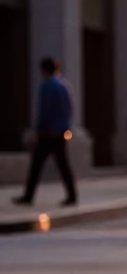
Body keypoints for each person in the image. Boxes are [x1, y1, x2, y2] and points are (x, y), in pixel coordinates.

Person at [13, 56, 77, 207]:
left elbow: (44, 111)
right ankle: (72, 195)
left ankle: (28, 196)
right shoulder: (64, 86)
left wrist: (38, 131)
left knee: (36, 165)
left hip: (48, 133)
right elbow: (69, 109)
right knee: (63, 165)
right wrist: (66, 129)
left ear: (44, 70)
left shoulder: (47, 86)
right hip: (60, 132)